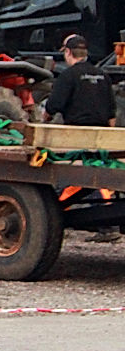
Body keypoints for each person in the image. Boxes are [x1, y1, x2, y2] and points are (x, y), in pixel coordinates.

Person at [44, 33, 120, 241]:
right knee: (99, 174)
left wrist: (44, 122)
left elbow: (53, 106)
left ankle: (53, 216)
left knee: (72, 175)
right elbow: (112, 113)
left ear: (68, 53)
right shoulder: (103, 75)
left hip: (76, 136)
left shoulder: (68, 76)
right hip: (101, 137)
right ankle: (106, 219)